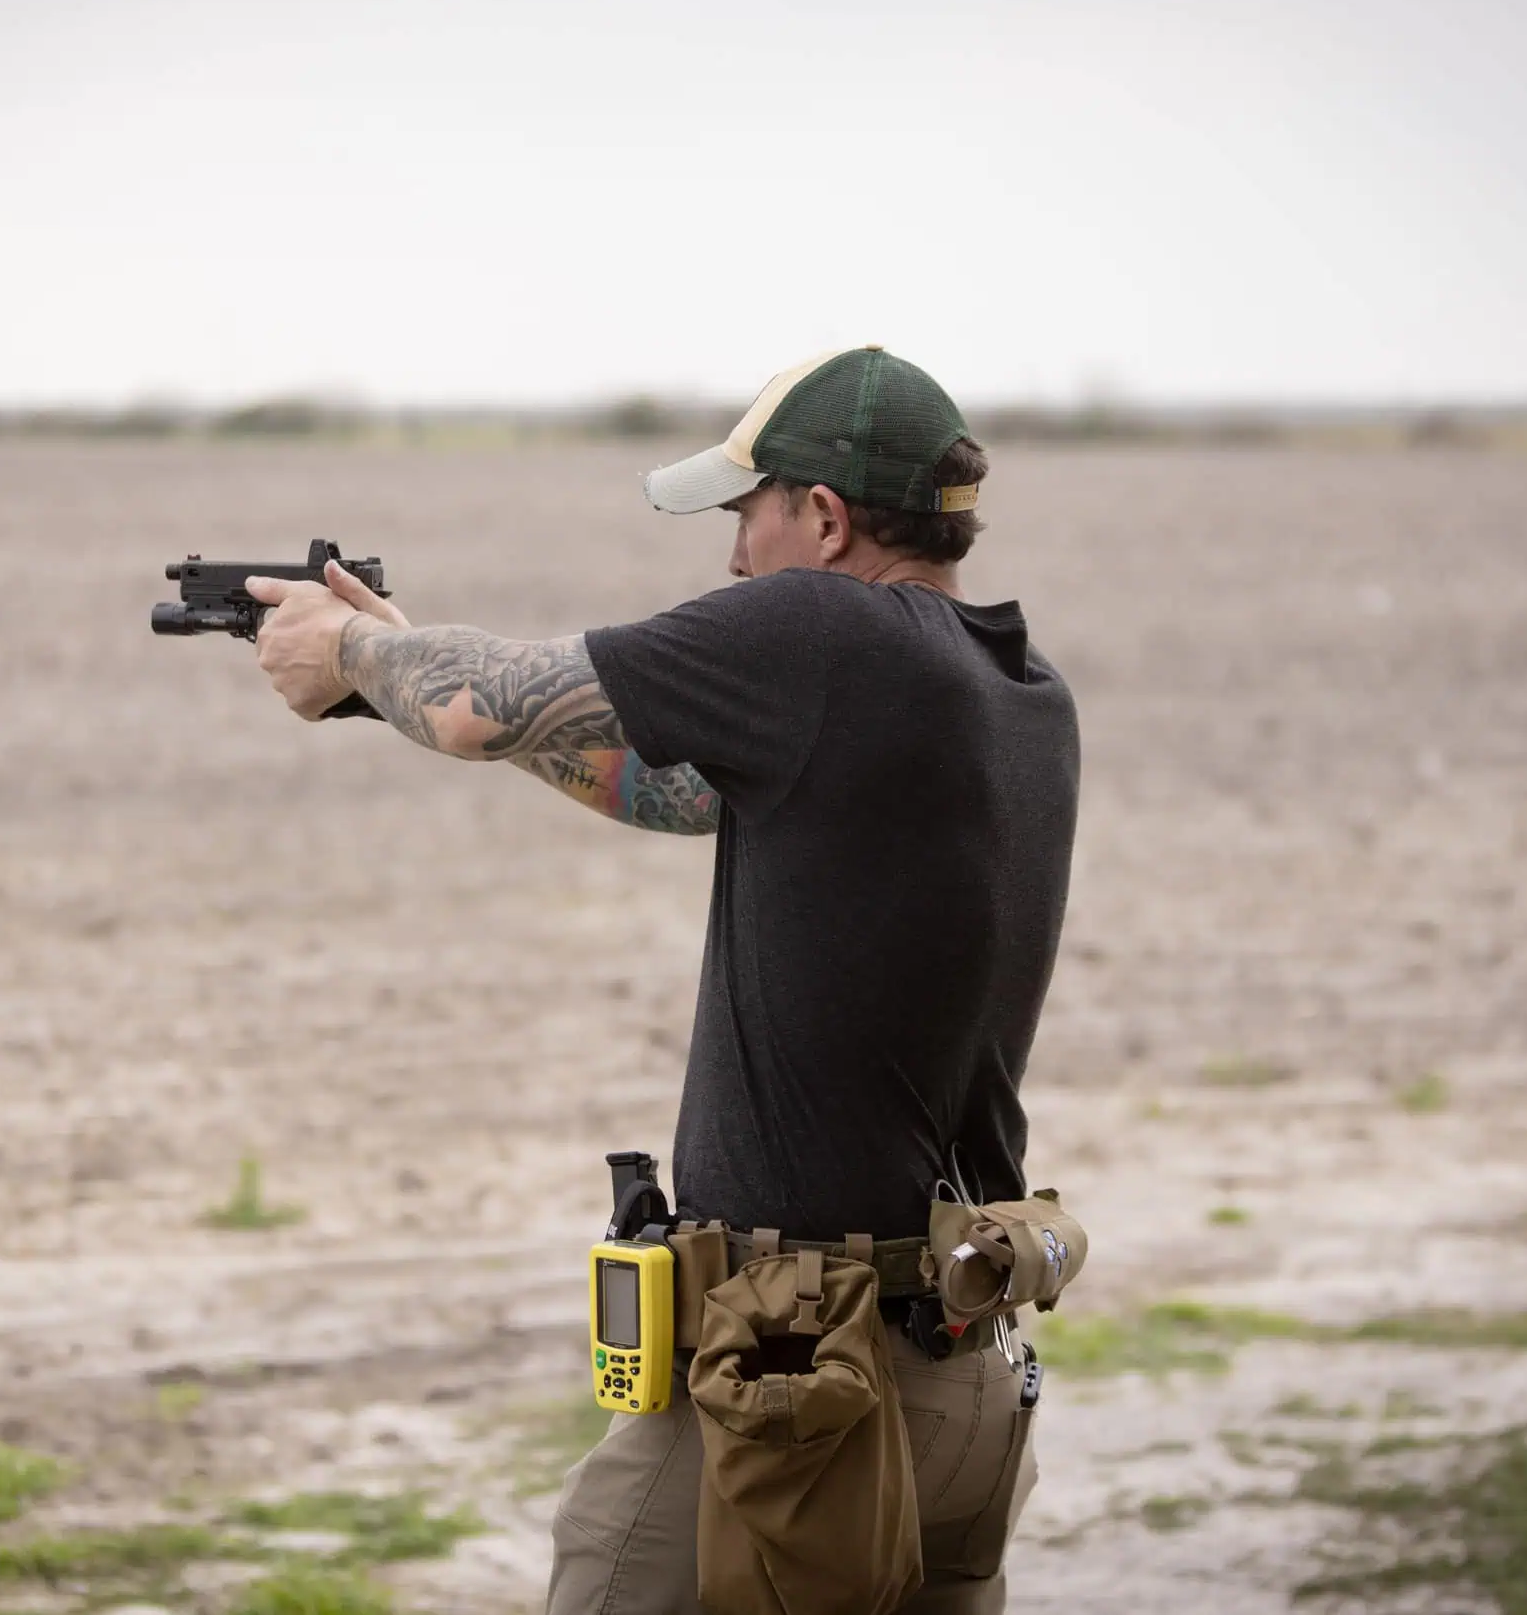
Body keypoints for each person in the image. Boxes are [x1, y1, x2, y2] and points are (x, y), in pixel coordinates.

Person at [247, 346, 1080, 1614]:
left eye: (745, 514)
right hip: (961, 1365)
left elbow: (490, 704)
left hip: (803, 1373)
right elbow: (668, 786)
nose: (733, 553)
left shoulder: (818, 628)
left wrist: (353, 652)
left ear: (823, 516)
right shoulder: (1011, 687)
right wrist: (402, 675)